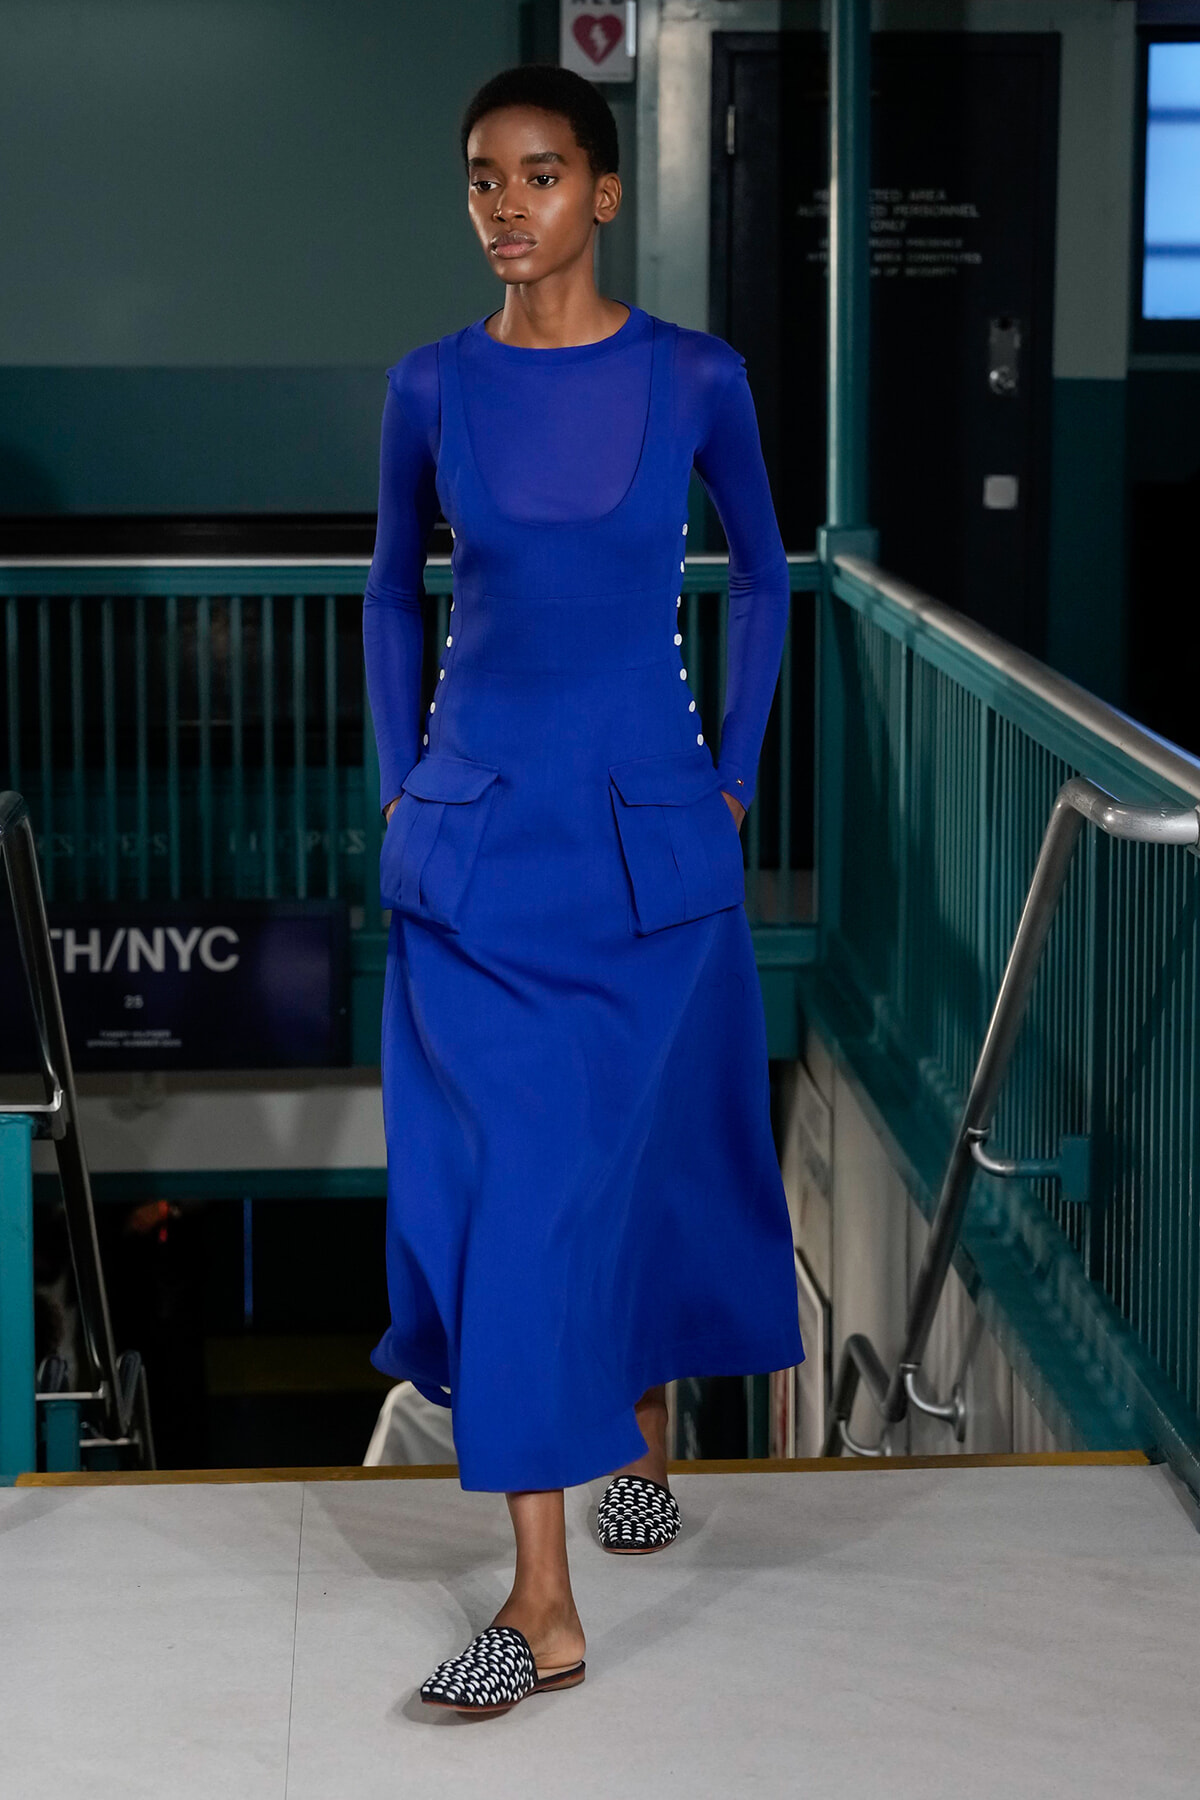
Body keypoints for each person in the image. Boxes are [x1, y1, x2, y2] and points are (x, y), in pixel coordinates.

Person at [362, 63, 804, 1716]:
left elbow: (762, 574)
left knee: (650, 1160)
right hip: (479, 860)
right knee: (514, 1205)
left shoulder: (697, 378)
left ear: (601, 196)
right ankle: (542, 1605)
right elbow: (389, 597)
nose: (507, 204)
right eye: (484, 178)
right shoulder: (428, 386)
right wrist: (396, 782)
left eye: (540, 175)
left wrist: (738, 769)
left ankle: (642, 1439)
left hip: (642, 850)